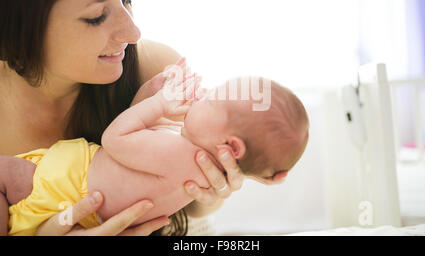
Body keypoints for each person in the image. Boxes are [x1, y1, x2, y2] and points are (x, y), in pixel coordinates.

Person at [0, 0, 245, 236]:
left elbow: (194, 214)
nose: (133, 32)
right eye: (96, 16)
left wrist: (212, 190)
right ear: (15, 27)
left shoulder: (159, 75)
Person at [2, 61, 309, 236]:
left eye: (212, 99)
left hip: (62, 187)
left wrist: (159, 103)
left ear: (230, 146)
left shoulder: (179, 153)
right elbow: (141, 150)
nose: (203, 97)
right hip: (73, 207)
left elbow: (116, 140)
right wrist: (149, 96)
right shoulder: (196, 160)